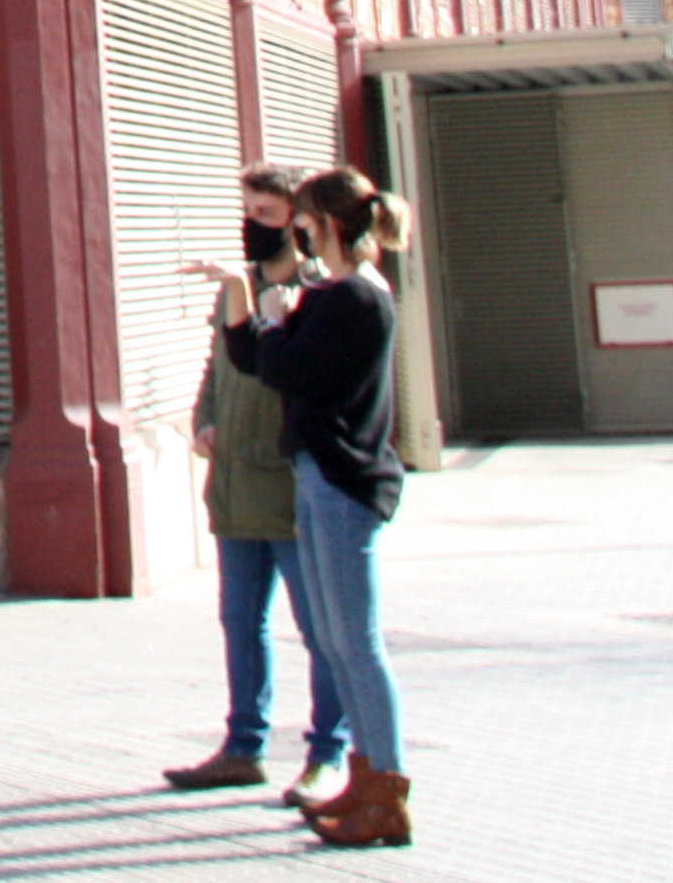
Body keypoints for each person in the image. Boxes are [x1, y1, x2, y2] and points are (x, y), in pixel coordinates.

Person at [222, 168, 417, 851]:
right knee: (334, 640)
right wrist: (249, 303)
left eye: (300, 220)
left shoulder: (359, 299)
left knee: (356, 643)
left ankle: (386, 787)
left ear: (327, 223)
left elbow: (292, 371)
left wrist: (276, 326)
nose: (293, 232)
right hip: (318, 475)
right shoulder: (335, 295)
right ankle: (366, 781)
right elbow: (257, 359)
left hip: (343, 482)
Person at [165, 165, 348, 806]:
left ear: (297, 223)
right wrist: (205, 419)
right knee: (240, 620)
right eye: (247, 210)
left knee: (319, 626)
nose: (253, 225)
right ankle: (243, 746)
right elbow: (219, 363)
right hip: (235, 481)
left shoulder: (318, 290)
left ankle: (327, 754)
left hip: (290, 481)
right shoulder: (234, 288)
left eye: (266, 214)